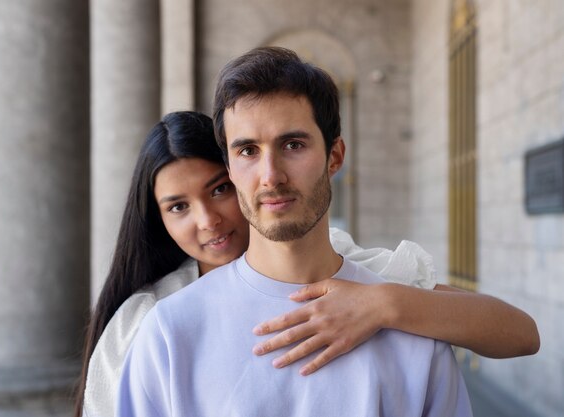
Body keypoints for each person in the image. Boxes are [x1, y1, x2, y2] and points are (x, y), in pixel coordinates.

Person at [76, 107, 539, 416]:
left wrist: (385, 305)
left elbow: (521, 334)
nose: (207, 220)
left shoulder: (352, 271)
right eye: (178, 207)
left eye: (218, 190)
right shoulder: (153, 320)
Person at [114, 47, 464, 416]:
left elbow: (523, 332)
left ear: (335, 157)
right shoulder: (168, 334)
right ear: (230, 168)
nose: (271, 176)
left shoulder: (413, 328)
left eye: (293, 145)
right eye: (248, 151)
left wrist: (389, 306)